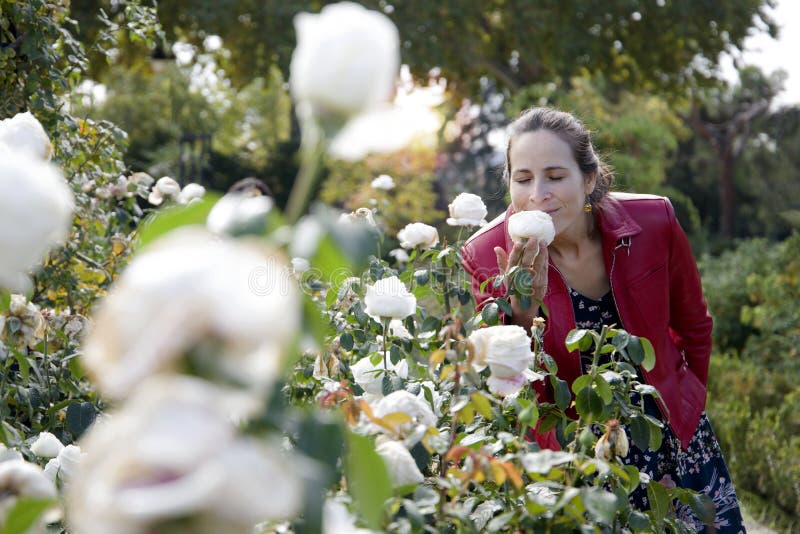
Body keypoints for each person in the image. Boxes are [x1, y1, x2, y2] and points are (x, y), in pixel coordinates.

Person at [461, 107, 744, 532]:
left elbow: (695, 327)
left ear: (588, 179)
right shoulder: (486, 255)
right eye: (523, 179)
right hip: (574, 460)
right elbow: (505, 386)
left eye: (555, 176)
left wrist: (688, 403)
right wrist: (522, 313)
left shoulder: (654, 222)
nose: (538, 193)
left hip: (670, 439)